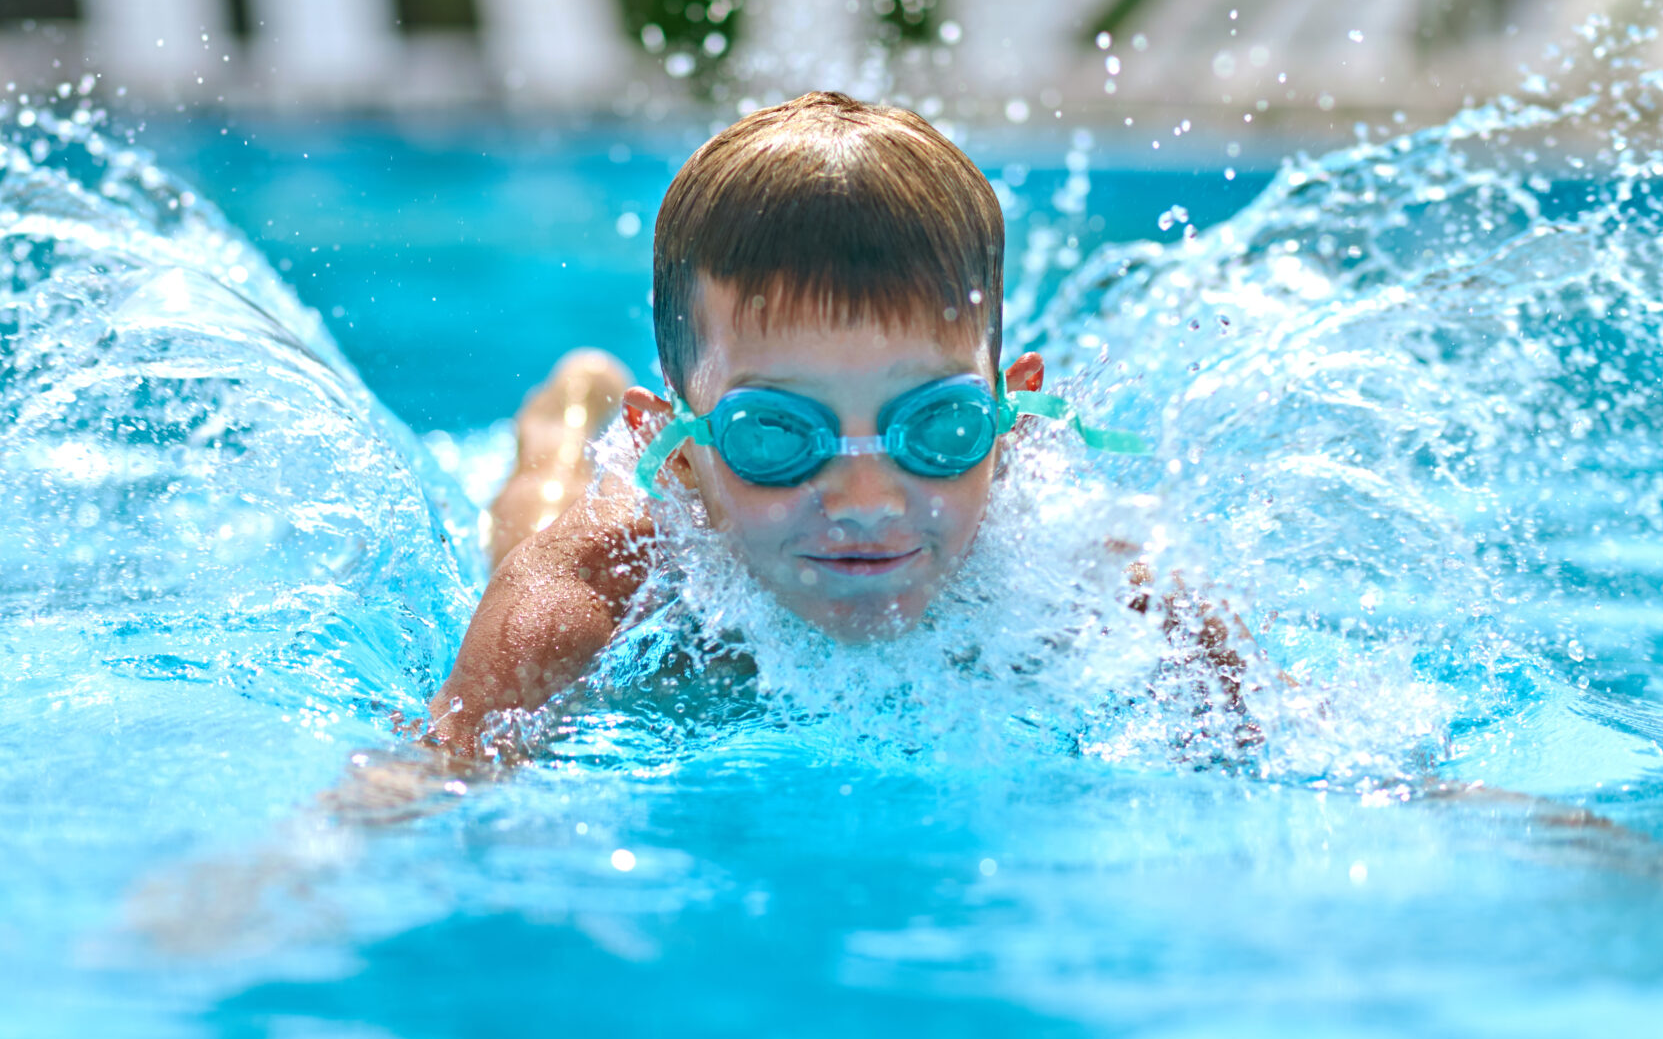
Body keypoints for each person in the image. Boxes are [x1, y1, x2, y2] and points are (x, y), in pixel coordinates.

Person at [416, 89, 1246, 767]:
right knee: (538, 506)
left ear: (1011, 423)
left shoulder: (1086, 572)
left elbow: (1288, 739)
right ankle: (570, 407)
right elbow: (422, 780)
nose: (865, 499)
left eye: (939, 427)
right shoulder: (597, 579)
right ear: (670, 453)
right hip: (624, 532)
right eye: (775, 435)